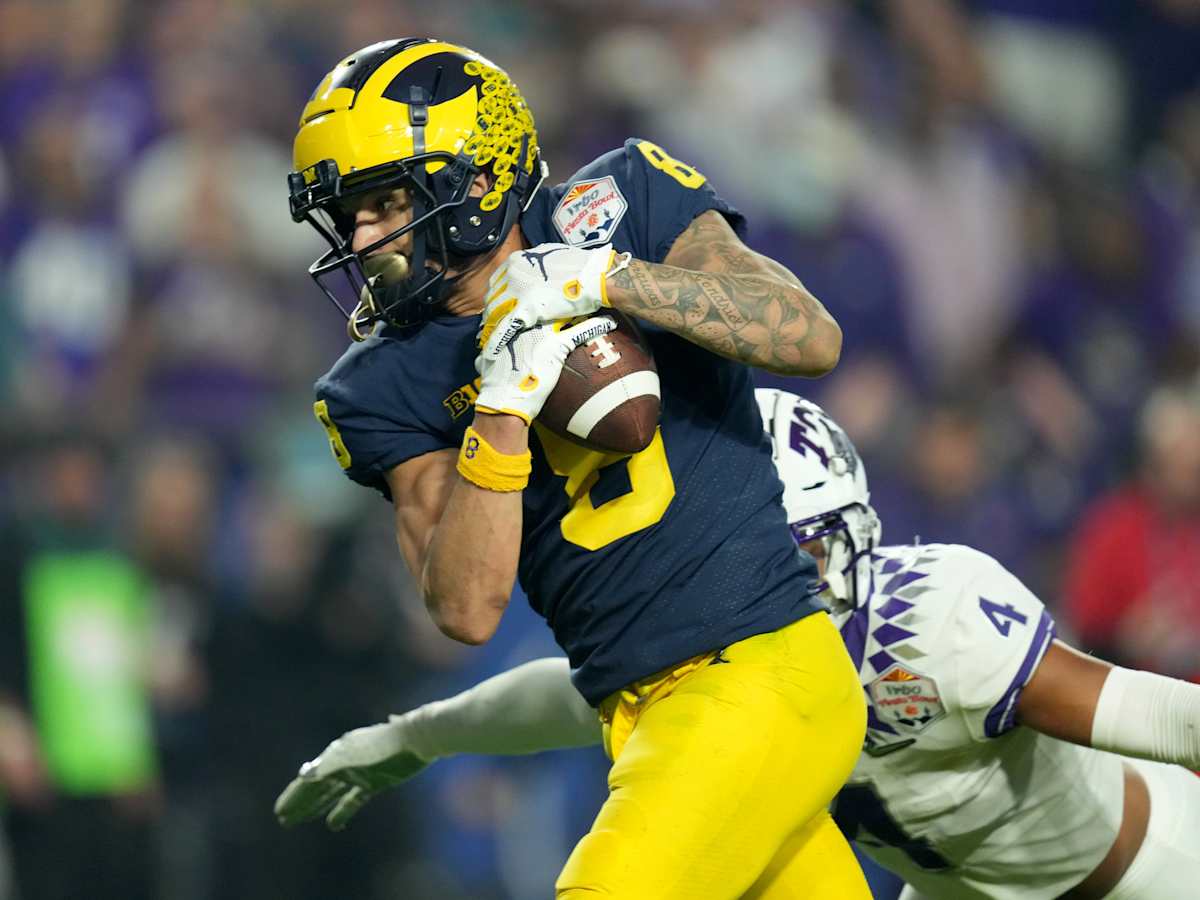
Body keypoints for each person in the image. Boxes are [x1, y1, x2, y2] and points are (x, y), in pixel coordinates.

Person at [288, 38, 866, 899]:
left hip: (760, 668)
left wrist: (610, 278)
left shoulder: (617, 202)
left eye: (382, 202)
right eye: (349, 214)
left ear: (474, 181)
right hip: (636, 719)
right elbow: (466, 606)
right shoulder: (377, 385)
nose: (364, 237)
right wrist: (502, 407)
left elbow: (809, 335)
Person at [278, 389, 1200, 900]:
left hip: (1139, 876)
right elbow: (563, 696)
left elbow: (1151, 711)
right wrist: (413, 737)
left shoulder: (933, 619)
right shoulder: (720, 666)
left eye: (772, 550)